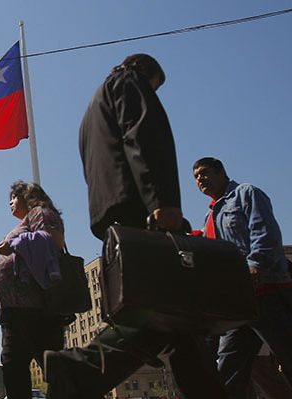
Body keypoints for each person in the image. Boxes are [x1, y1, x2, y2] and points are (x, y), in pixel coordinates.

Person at [44, 54, 226, 399]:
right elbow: (144, 136)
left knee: (176, 318)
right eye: (155, 86)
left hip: (114, 219)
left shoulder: (90, 111)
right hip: (140, 214)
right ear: (145, 72)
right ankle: (79, 366)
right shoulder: (127, 82)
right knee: (160, 312)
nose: (153, 92)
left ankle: (80, 368)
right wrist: (162, 203)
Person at [192, 157, 292, 398]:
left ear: (220, 172)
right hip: (236, 305)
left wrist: (255, 265)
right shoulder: (209, 218)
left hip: (265, 294)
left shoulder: (246, 194)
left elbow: (265, 233)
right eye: (195, 177)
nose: (199, 180)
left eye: (204, 173)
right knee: (227, 369)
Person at [0, 181, 67, 399]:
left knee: (20, 364)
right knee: (20, 365)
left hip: (31, 307)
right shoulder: (30, 218)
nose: (10, 203)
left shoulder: (40, 213)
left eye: (13, 198)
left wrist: (14, 243)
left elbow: (55, 241)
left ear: (26, 197)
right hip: (19, 309)